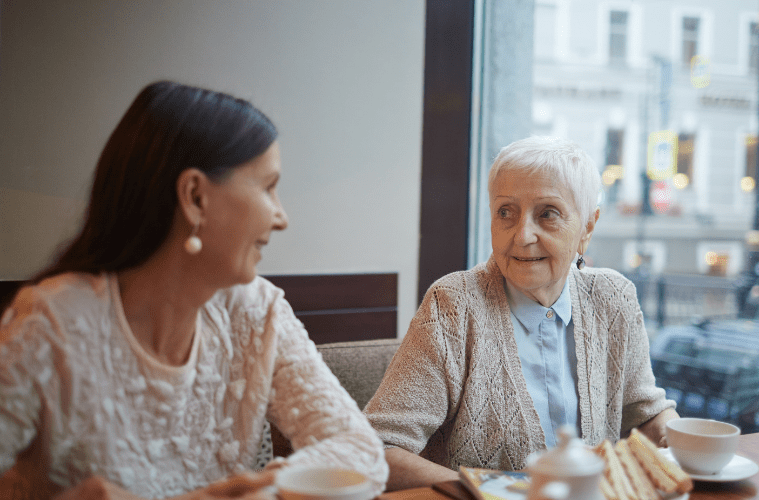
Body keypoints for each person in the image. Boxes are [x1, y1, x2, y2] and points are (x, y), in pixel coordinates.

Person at [0, 81, 387, 499]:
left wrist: (269, 486)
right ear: (195, 197)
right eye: (268, 187)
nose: (281, 217)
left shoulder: (256, 311)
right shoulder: (53, 322)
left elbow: (361, 451)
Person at [364, 136, 678, 490]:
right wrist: (497, 494)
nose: (523, 235)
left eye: (547, 213)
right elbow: (376, 450)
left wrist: (684, 446)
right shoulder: (452, 306)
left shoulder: (614, 298)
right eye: (506, 212)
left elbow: (646, 413)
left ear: (587, 227)